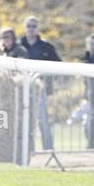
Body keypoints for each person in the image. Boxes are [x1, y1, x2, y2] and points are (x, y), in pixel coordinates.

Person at [20, 16, 61, 151]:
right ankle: (25, 149)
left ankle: (48, 149)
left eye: (34, 26)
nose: (31, 29)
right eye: (28, 26)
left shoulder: (47, 47)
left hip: (41, 90)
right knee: (23, 120)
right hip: (22, 90)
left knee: (43, 120)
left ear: (38, 28)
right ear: (25, 28)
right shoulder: (19, 46)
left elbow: (58, 65)